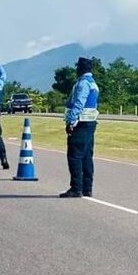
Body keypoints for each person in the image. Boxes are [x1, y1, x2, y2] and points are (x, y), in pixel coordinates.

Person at [60, 56, 100, 198]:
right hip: (90, 123)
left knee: (75, 156)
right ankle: (87, 188)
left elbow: (79, 103)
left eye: (77, 67)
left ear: (81, 68)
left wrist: (71, 121)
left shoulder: (83, 83)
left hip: (81, 123)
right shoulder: (93, 83)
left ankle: (76, 188)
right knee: (87, 156)